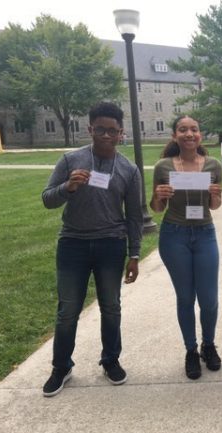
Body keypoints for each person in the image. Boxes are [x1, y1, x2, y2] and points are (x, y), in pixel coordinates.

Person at [41, 102, 143, 397]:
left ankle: (110, 360)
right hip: (72, 243)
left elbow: (134, 215)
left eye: (113, 131)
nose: (106, 136)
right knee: (67, 310)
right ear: (90, 129)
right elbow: (47, 199)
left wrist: (134, 254)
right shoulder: (71, 160)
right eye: (100, 129)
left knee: (111, 307)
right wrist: (68, 188)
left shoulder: (128, 169)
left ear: (121, 133)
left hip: (111, 245)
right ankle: (62, 366)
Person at [150, 115, 222, 380]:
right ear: (174, 136)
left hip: (204, 233)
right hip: (174, 235)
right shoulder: (164, 166)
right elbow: (157, 209)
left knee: (209, 299)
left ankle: (209, 345)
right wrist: (159, 197)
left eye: (194, 129)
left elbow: (215, 206)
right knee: (185, 297)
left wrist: (215, 195)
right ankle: (191, 350)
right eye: (183, 130)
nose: (189, 134)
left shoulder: (213, 165)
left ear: (200, 135)